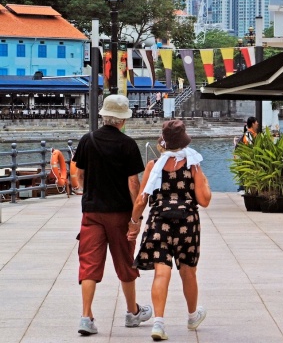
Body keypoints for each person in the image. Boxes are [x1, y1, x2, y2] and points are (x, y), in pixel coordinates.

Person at [72, 94, 152, 336]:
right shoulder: (127, 145)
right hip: (119, 213)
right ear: (122, 120)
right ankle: (132, 312)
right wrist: (135, 218)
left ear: (105, 116)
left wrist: (87, 192)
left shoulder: (88, 140)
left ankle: (86, 317)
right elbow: (133, 183)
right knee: (125, 261)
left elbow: (77, 174)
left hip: (92, 213)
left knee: (89, 264)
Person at [130, 120, 212, 341]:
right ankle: (193, 316)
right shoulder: (192, 164)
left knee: (161, 271)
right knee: (188, 271)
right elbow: (204, 200)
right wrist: (201, 177)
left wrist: (134, 223)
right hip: (187, 222)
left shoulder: (153, 166)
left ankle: (158, 323)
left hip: (159, 221)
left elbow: (140, 200)